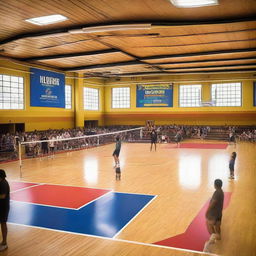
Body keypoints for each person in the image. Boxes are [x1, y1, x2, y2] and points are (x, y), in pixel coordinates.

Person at [204, 179, 224, 252]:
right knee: (217, 226)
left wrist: (207, 210)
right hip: (219, 213)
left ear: (215, 185)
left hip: (213, 214)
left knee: (209, 224)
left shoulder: (216, 193)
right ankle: (218, 236)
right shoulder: (221, 192)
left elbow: (213, 203)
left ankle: (210, 242)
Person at [0, 169, 10, 252]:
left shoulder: (4, 184)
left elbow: (2, 196)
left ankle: (4, 243)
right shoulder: (1, 182)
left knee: (3, 223)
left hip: (3, 207)